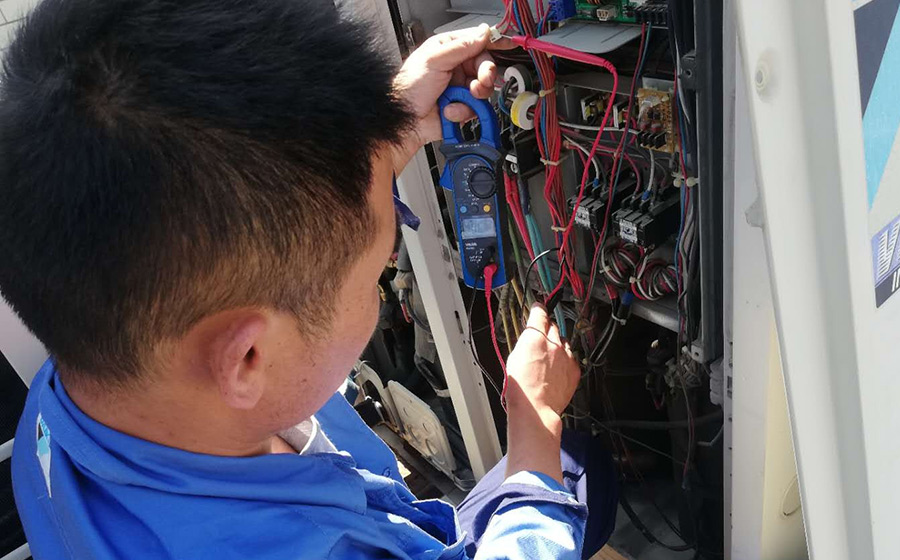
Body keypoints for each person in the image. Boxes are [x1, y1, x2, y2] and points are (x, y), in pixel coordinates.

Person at [1, 1, 618, 558]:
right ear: (247, 357)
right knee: (578, 470)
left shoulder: (83, 375)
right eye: (373, 275)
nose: (379, 284)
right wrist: (534, 427)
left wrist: (381, 143)